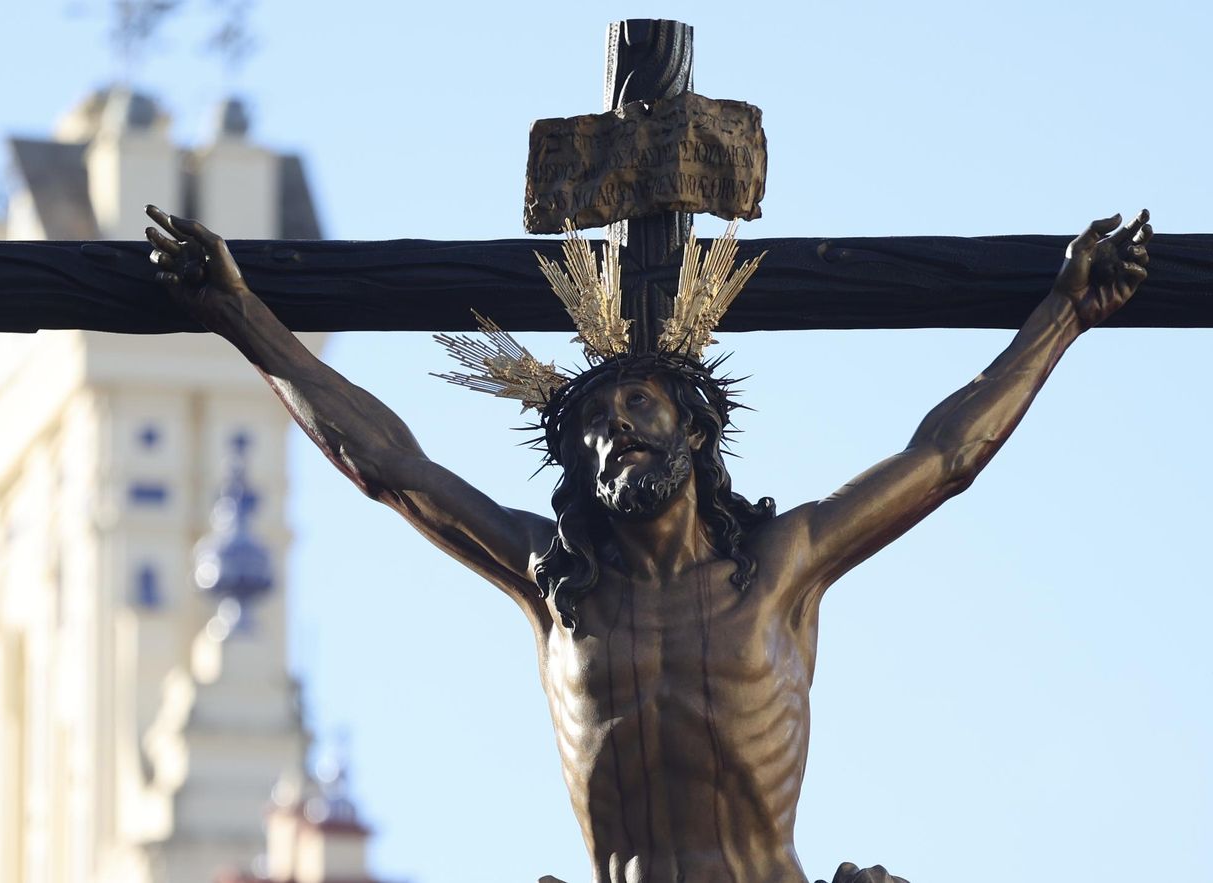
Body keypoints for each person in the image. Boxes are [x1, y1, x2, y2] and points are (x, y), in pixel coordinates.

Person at [146, 205, 1151, 883]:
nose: (612, 428)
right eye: (589, 424)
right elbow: (390, 465)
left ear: (694, 429)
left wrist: (1065, 311)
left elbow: (943, 456)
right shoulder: (556, 584)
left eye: (636, 404)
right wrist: (238, 314)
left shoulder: (781, 563)